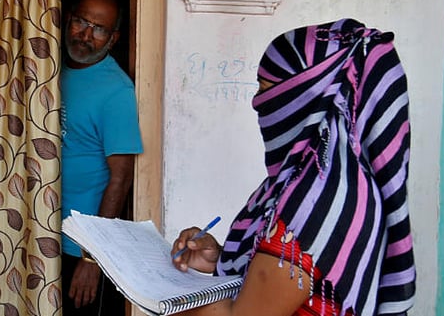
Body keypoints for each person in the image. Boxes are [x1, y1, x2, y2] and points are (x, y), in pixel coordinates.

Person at [170, 19, 416, 316]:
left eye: (266, 89)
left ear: (301, 97)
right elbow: (290, 289)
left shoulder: (318, 200)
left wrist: (163, 298)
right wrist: (220, 259)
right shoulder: (324, 182)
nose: (257, 102)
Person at [60, 0, 143, 315]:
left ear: (113, 38)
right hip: (38, 230)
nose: (85, 35)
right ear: (68, 18)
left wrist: (92, 257)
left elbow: (121, 179)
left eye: (98, 29)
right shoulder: (44, 64)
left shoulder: (116, 91)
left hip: (78, 245)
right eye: (81, 22)